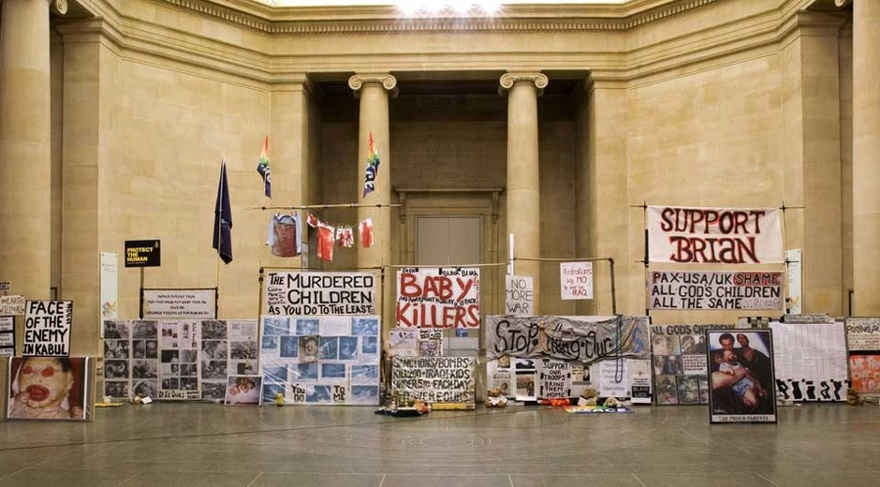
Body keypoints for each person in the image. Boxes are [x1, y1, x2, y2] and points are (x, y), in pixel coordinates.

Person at [8, 357, 83, 420]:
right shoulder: (14, 406)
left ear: (68, 381)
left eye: (47, 371)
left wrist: (77, 421)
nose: (35, 378)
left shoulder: (65, 417)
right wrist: (16, 405)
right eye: (28, 371)